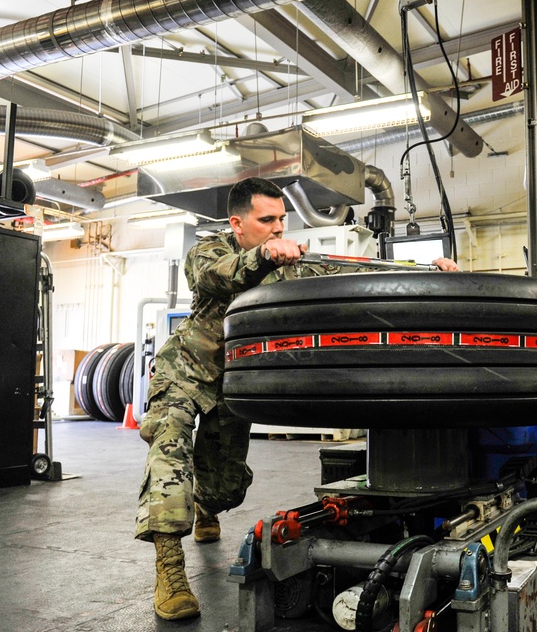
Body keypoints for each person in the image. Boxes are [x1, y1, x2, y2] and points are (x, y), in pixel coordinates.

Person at [135, 176, 458, 620]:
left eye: (281, 220)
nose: (276, 228)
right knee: (168, 453)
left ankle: (205, 507)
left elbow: (355, 272)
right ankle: (169, 572)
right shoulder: (210, 251)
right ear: (238, 223)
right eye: (266, 220)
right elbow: (214, 276)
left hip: (235, 383)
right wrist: (263, 255)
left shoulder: (291, 263)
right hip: (187, 370)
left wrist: (424, 270)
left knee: (227, 488)